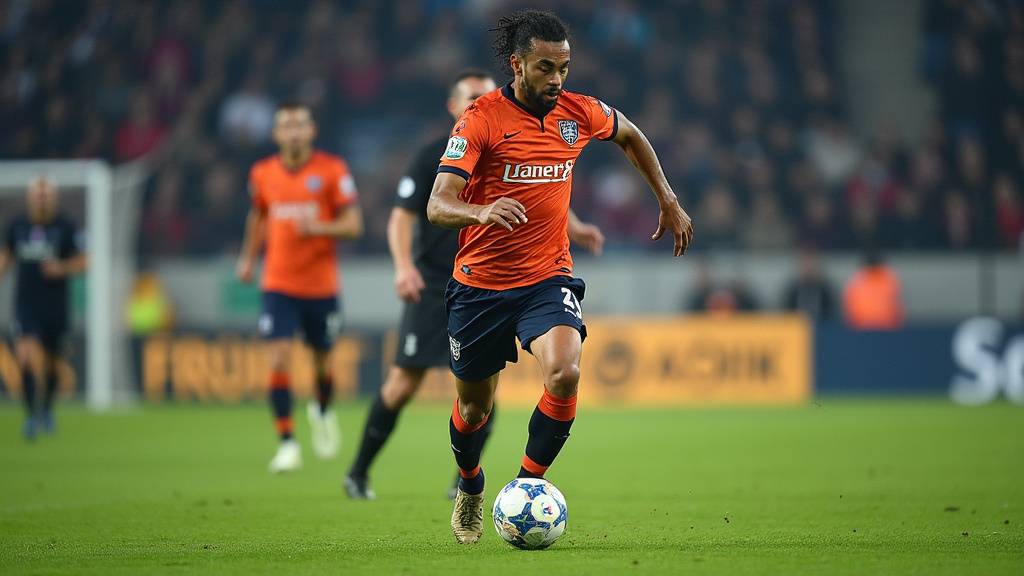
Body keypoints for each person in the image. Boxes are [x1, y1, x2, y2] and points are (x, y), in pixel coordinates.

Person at [426, 10, 693, 544]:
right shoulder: (480, 119)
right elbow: (438, 204)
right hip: (479, 286)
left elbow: (631, 135)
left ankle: (528, 488)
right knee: (475, 408)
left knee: (565, 373)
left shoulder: (579, 111)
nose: (557, 80)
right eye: (545, 68)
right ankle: (471, 484)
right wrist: (480, 212)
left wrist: (667, 197)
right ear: (517, 64)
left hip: (547, 278)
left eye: (564, 68)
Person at [344, 69, 605, 501]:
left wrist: (574, 227)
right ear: (453, 106)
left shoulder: (513, 134)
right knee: (404, 383)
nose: (479, 103)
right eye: (470, 97)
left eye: (484, 95)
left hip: (512, 280)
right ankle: (358, 472)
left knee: (486, 394)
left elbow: (543, 185)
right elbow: (403, 216)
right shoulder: (433, 155)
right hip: (437, 282)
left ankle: (466, 484)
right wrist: (403, 266)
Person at [236, 101, 364, 473]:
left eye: (299, 125)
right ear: (276, 134)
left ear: (311, 131)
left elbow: (354, 225)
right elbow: (257, 215)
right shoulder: (262, 173)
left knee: (322, 365)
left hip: (321, 286)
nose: (293, 131)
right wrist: (247, 259)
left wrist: (320, 227)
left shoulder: (332, 170)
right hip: (278, 283)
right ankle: (287, 442)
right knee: (277, 358)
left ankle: (322, 409)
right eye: (286, 125)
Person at [0, 176, 87, 440]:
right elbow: (5, 258)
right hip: (26, 305)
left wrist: (61, 268)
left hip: (56, 306)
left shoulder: (66, 227)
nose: (42, 199)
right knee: (26, 356)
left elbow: (84, 261)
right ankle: (30, 416)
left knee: (50, 364)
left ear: (54, 198)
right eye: (38, 194)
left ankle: (46, 409)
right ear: (29, 198)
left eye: (46, 194)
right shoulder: (17, 227)